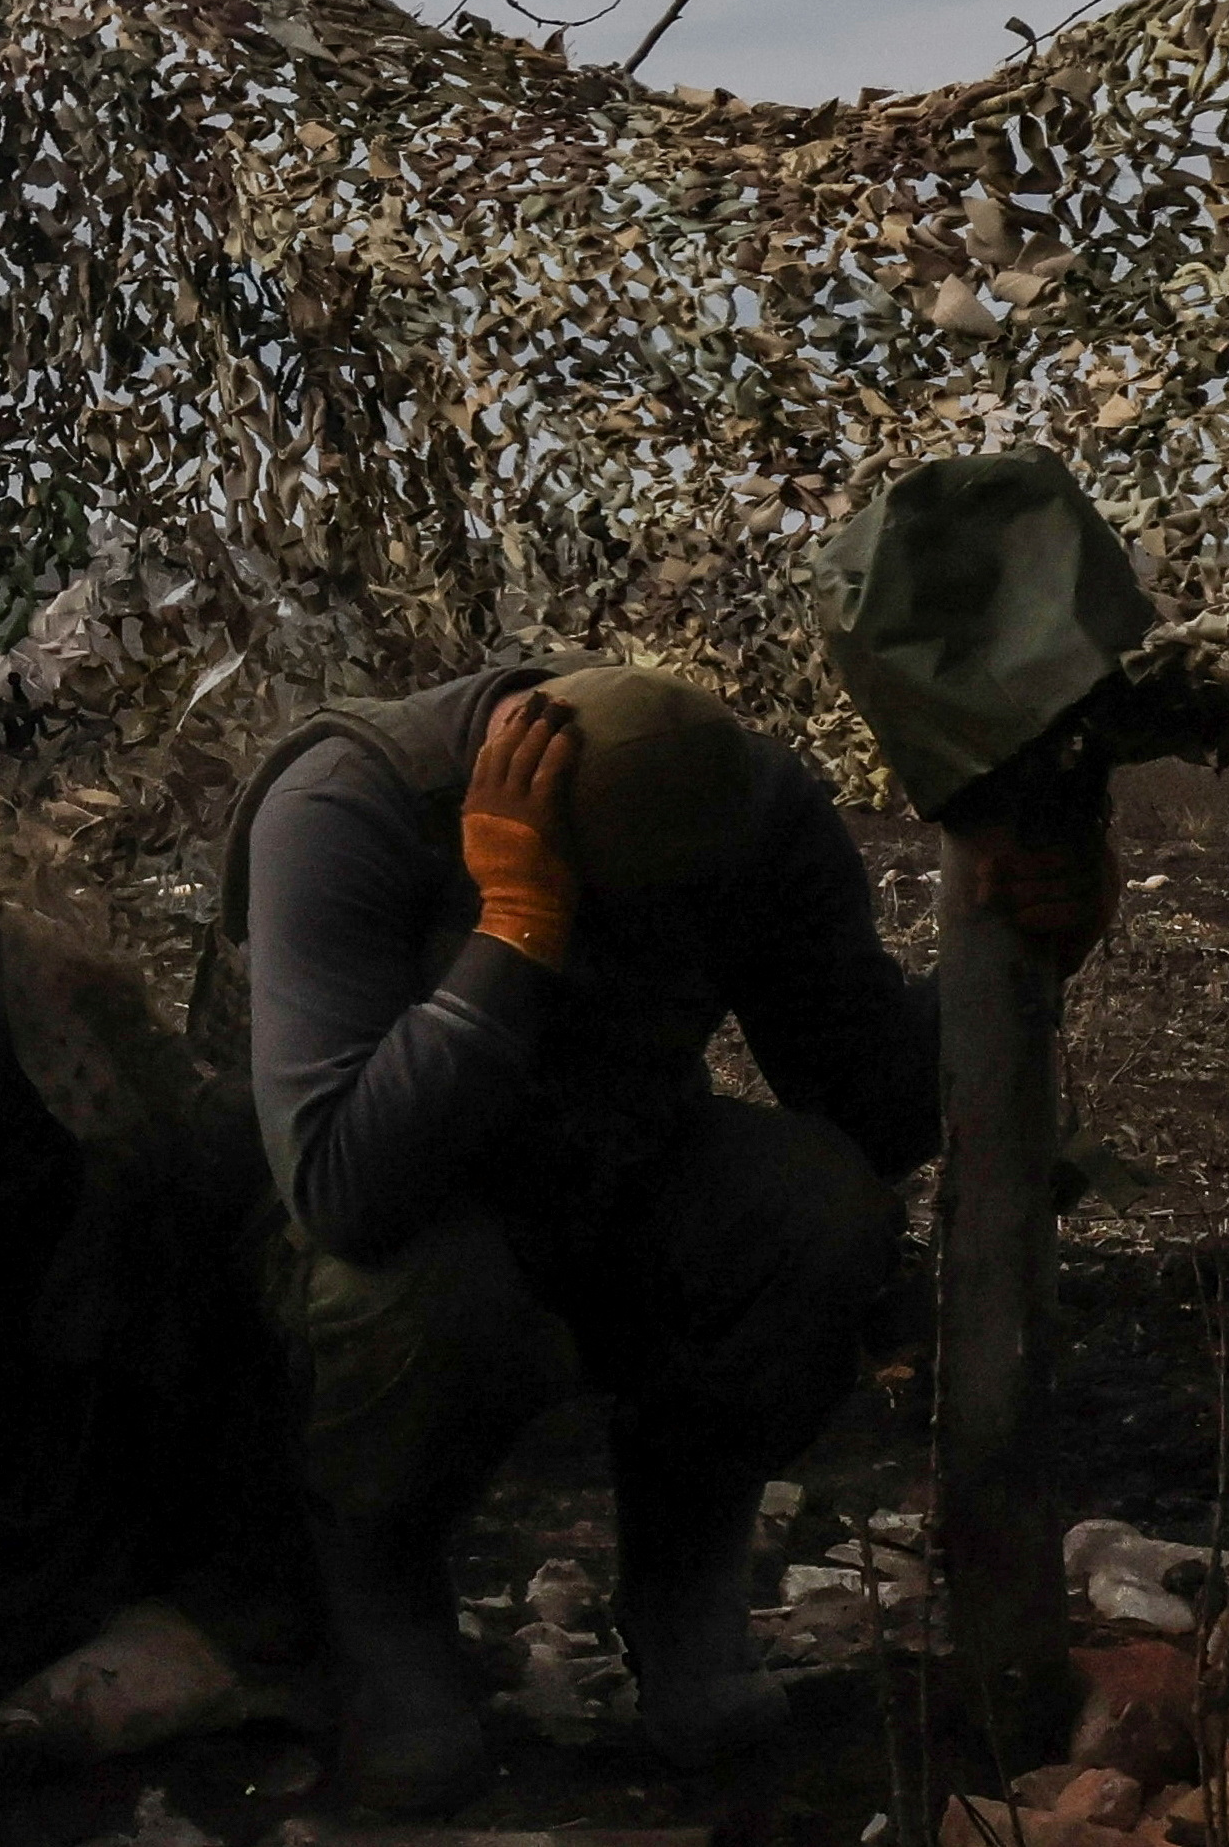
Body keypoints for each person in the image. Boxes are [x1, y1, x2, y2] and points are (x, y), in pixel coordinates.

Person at [226, 659, 1109, 1811]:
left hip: (607, 1169)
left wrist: (1024, 941)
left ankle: (685, 1578)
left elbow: (863, 1100)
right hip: (378, 1220)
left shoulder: (748, 809)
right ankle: (381, 1592)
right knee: (430, 1297)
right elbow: (347, 1189)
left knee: (817, 1213)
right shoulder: (348, 801)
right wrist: (518, 923)